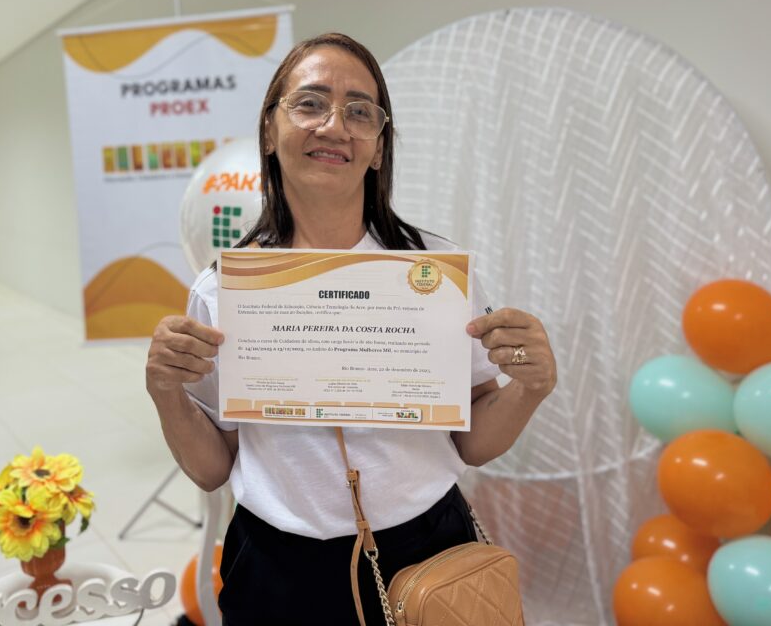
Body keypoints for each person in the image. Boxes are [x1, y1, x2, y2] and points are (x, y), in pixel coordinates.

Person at [146, 34, 557, 625]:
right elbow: (213, 466)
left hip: (427, 550)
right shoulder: (226, 289)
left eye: (360, 111)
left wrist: (528, 389)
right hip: (276, 566)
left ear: (379, 148)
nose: (335, 125)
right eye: (310, 103)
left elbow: (472, 442)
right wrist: (164, 390)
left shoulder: (435, 274)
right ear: (269, 131)